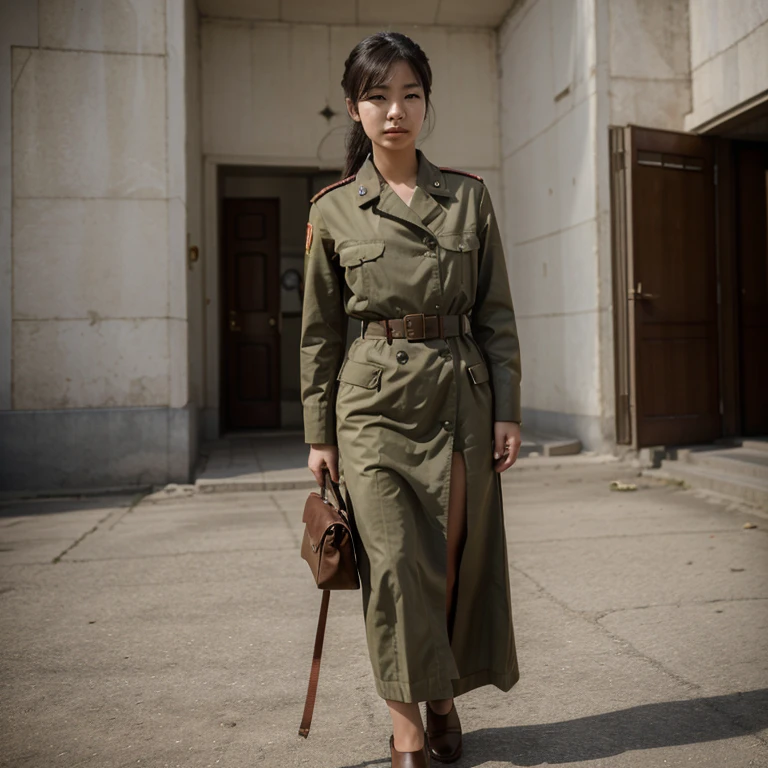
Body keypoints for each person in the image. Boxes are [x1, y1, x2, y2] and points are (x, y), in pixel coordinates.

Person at [299, 31, 522, 768]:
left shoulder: (469, 197)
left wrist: (509, 409)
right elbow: (319, 335)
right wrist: (319, 431)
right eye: (378, 95)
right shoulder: (332, 211)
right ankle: (408, 733)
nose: (395, 110)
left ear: (426, 103)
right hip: (370, 408)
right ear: (355, 109)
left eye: (410, 94)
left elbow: (495, 314)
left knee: (449, 563)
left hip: (459, 399)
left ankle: (443, 695)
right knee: (393, 564)